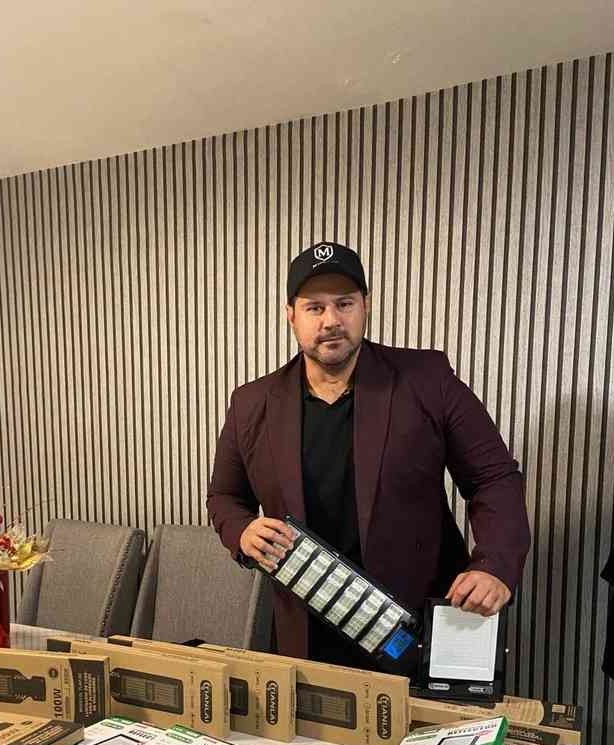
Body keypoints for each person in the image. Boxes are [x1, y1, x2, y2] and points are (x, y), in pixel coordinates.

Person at [206, 242, 531, 665]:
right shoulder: (251, 403)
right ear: (291, 315)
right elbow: (225, 497)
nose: (331, 321)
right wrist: (242, 532)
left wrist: (494, 564)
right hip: (305, 631)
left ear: (366, 306)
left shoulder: (427, 380)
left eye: (344, 303)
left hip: (415, 629)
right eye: (314, 308)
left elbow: (493, 477)